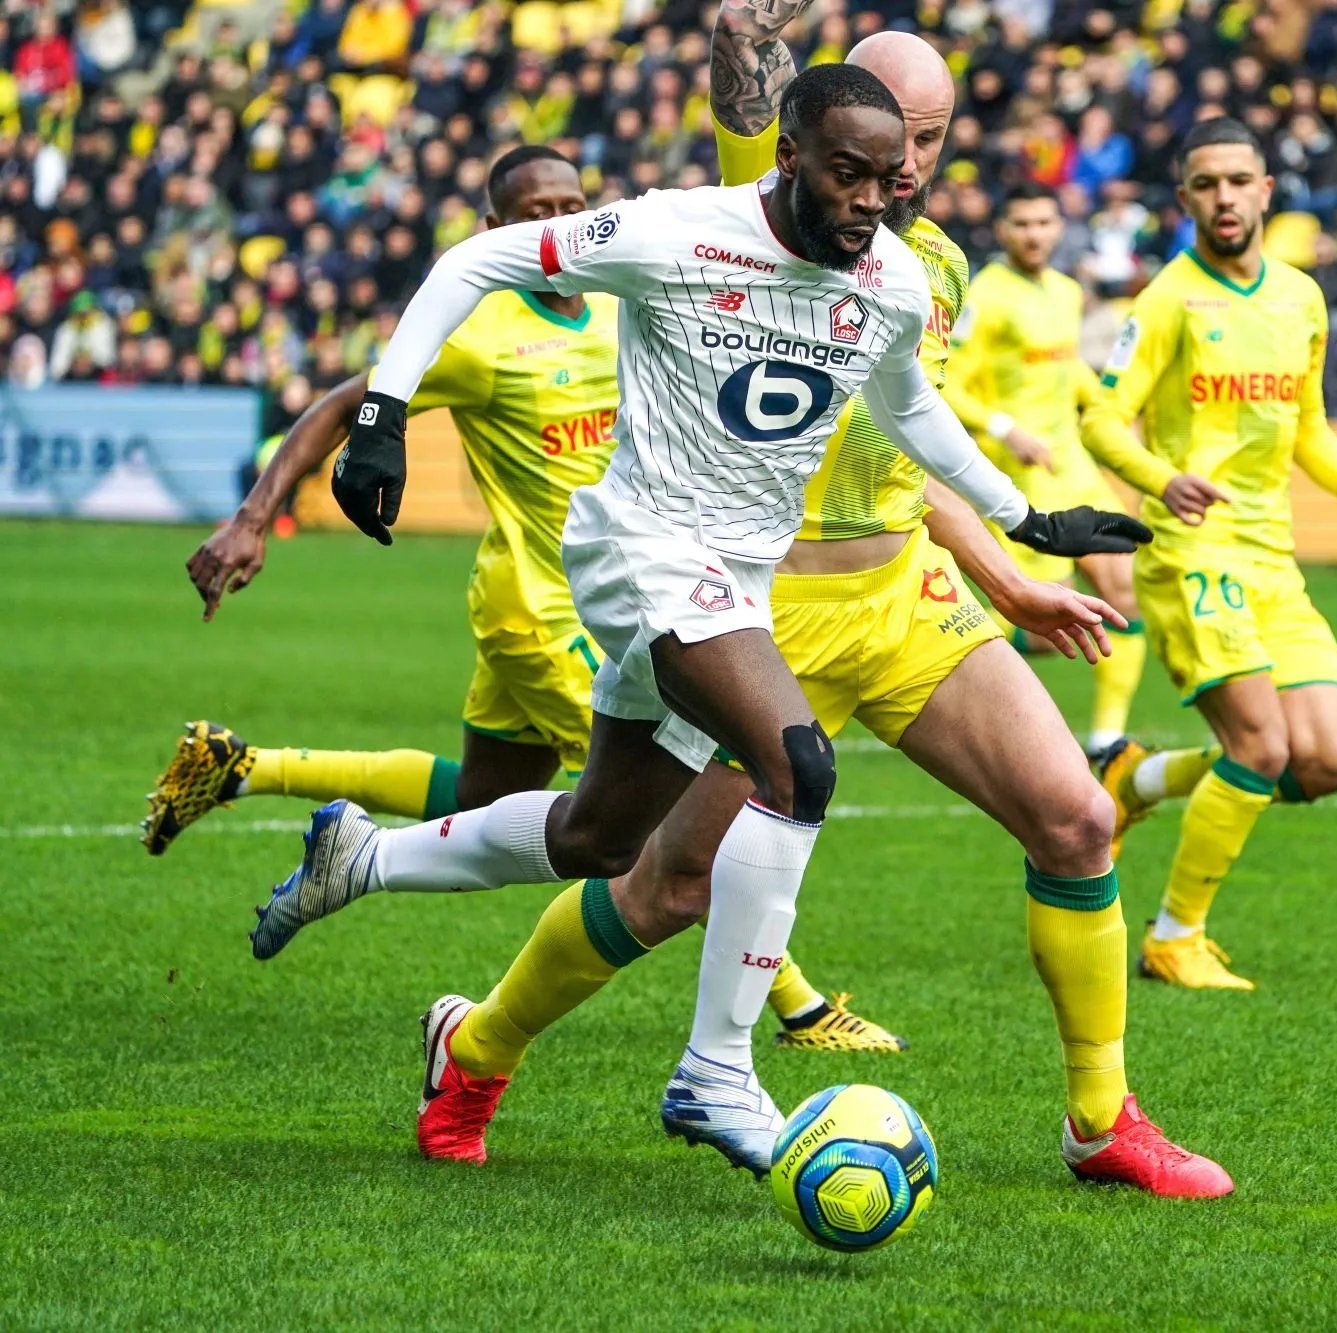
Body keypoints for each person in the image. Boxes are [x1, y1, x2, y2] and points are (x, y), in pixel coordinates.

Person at [409, 15, 1233, 1198]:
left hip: (900, 594)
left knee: (1074, 820)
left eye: (930, 141)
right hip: (759, 607)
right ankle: (477, 1049)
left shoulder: (925, 268)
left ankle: (1101, 1119)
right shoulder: (761, 211)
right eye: (888, 138)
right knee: (664, 883)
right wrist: (747, 36)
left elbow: (903, 445)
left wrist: (1004, 565)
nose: (905, 168)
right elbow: (746, 95)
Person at [153, 146, 898, 1054]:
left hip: (610, 590)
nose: (557, 219)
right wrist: (253, 517)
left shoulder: (625, 296)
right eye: (535, 210)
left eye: (570, 202)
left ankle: (244, 767)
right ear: (497, 230)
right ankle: (798, 1005)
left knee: (484, 792)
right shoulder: (482, 337)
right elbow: (346, 406)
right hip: (547, 610)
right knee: (671, 807)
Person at [1081, 117, 1337, 991]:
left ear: (1266, 191)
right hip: (1191, 554)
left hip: (1271, 560)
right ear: (1186, 197)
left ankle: (1136, 780)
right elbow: (1102, 418)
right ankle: (1174, 936)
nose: (1224, 197)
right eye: (1207, 183)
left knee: (1326, 761)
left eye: (1238, 181)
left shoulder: (1301, 298)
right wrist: (1162, 478)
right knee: (1259, 746)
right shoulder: (1168, 299)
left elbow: (1309, 424)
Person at [943, 180, 1150, 756]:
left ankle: (1107, 739)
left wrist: (1109, 408)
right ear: (1002, 230)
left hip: (1074, 467)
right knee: (1044, 619)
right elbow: (946, 383)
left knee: (1126, 596)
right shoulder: (983, 296)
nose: (1033, 235)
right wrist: (1006, 428)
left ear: (1059, 227)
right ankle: (951, 642)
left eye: (1043, 223)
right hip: (1019, 476)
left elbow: (1066, 370)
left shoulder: (1066, 291)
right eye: (1022, 224)